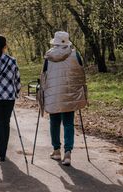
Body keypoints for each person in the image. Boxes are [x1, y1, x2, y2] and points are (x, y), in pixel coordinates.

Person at [39, 31, 87, 166]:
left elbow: (44, 76)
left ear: (55, 42)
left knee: (54, 122)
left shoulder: (49, 55)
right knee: (68, 122)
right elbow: (80, 74)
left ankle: (56, 150)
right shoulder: (75, 55)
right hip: (69, 93)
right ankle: (68, 153)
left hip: (53, 94)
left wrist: (43, 93)